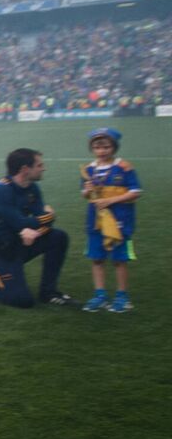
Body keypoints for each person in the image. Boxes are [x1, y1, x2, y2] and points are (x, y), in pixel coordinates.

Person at [0, 148, 77, 308]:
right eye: (39, 165)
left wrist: (36, 230)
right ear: (25, 169)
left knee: (58, 237)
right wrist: (50, 216)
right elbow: (21, 223)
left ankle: (48, 293)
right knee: (22, 301)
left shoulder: (32, 187)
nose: (44, 168)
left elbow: (41, 224)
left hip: (13, 244)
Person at [79, 128, 141, 313]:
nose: (102, 151)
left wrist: (110, 200)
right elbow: (84, 194)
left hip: (120, 221)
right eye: (97, 147)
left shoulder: (124, 167)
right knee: (97, 259)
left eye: (106, 146)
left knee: (119, 260)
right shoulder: (89, 169)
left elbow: (136, 192)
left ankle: (122, 296)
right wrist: (88, 190)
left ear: (114, 147)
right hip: (96, 221)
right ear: (92, 149)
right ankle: (100, 295)